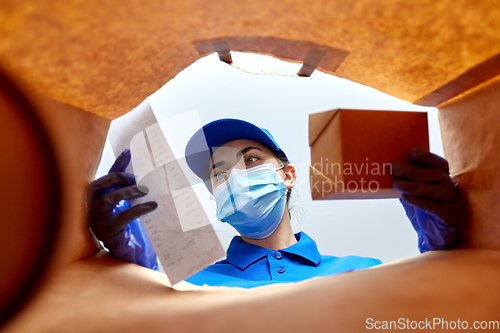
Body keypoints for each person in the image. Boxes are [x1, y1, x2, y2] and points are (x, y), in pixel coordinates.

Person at [87, 118, 467, 288]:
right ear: (213, 195)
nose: (232, 176)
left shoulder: (365, 272)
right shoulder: (191, 282)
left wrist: (445, 246)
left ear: (287, 176)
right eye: (218, 173)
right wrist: (131, 271)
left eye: (251, 160)